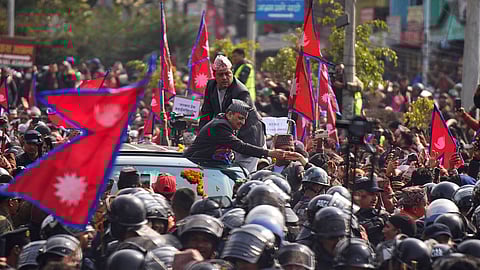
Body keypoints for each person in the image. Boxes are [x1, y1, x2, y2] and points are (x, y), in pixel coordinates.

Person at [199, 55, 266, 173]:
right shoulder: (210, 86)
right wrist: (201, 136)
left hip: (249, 137)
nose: (224, 77)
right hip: (230, 136)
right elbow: (206, 113)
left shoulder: (241, 92)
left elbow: (234, 121)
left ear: (232, 72)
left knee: (242, 176)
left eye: (227, 73)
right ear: (214, 75)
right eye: (220, 75)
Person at [184, 100, 289, 163]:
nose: (242, 123)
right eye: (240, 118)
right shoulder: (220, 126)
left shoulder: (223, 121)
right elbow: (240, 146)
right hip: (193, 163)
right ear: (229, 114)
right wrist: (269, 153)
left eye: (244, 119)